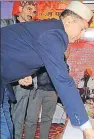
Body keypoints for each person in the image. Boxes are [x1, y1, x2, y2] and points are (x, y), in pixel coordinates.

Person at [1, 1, 94, 139]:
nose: (83, 34)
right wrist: (87, 128)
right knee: (5, 133)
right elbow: (63, 80)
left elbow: (13, 49)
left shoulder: (49, 29)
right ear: (68, 21)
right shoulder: (54, 34)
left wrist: (20, 75)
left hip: (3, 84)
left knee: (7, 130)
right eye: (82, 29)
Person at [1, 1, 37, 139]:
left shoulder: (32, 32)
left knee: (18, 117)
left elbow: (32, 57)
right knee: (5, 114)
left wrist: (29, 74)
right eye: (29, 9)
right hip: (4, 78)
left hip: (24, 78)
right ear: (20, 9)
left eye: (34, 11)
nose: (31, 14)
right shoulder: (4, 24)